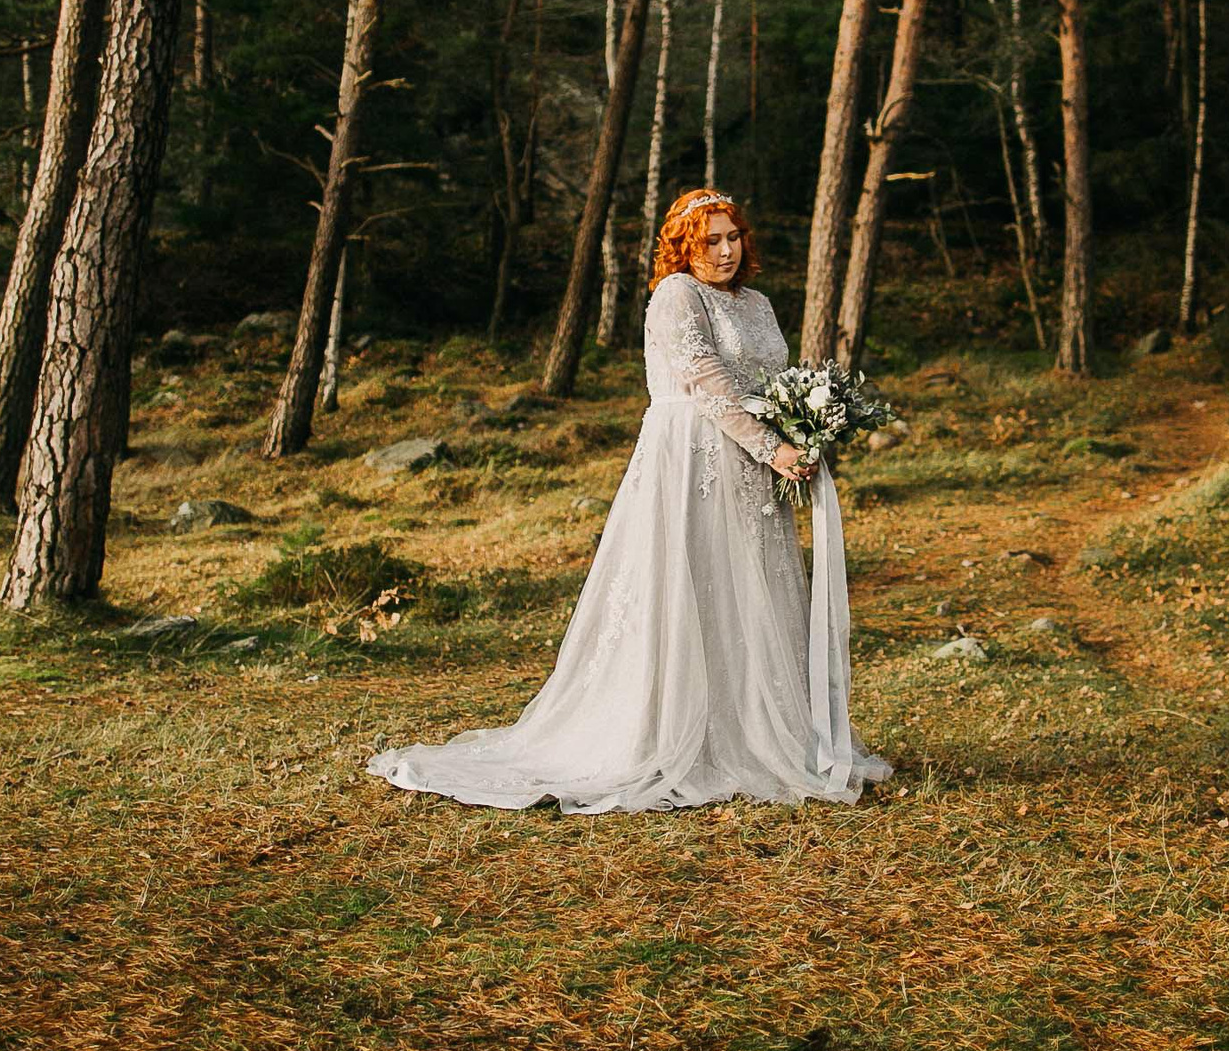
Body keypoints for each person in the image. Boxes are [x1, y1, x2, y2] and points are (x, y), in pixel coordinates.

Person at [367, 187, 892, 812]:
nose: (725, 251)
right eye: (710, 240)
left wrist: (803, 425)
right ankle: (671, 731)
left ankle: (754, 727)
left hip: (753, 470)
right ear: (684, 245)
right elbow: (706, 381)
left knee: (748, 585)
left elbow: (770, 380)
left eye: (733, 238)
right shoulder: (676, 295)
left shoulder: (757, 302)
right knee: (688, 585)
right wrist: (772, 447)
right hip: (692, 455)